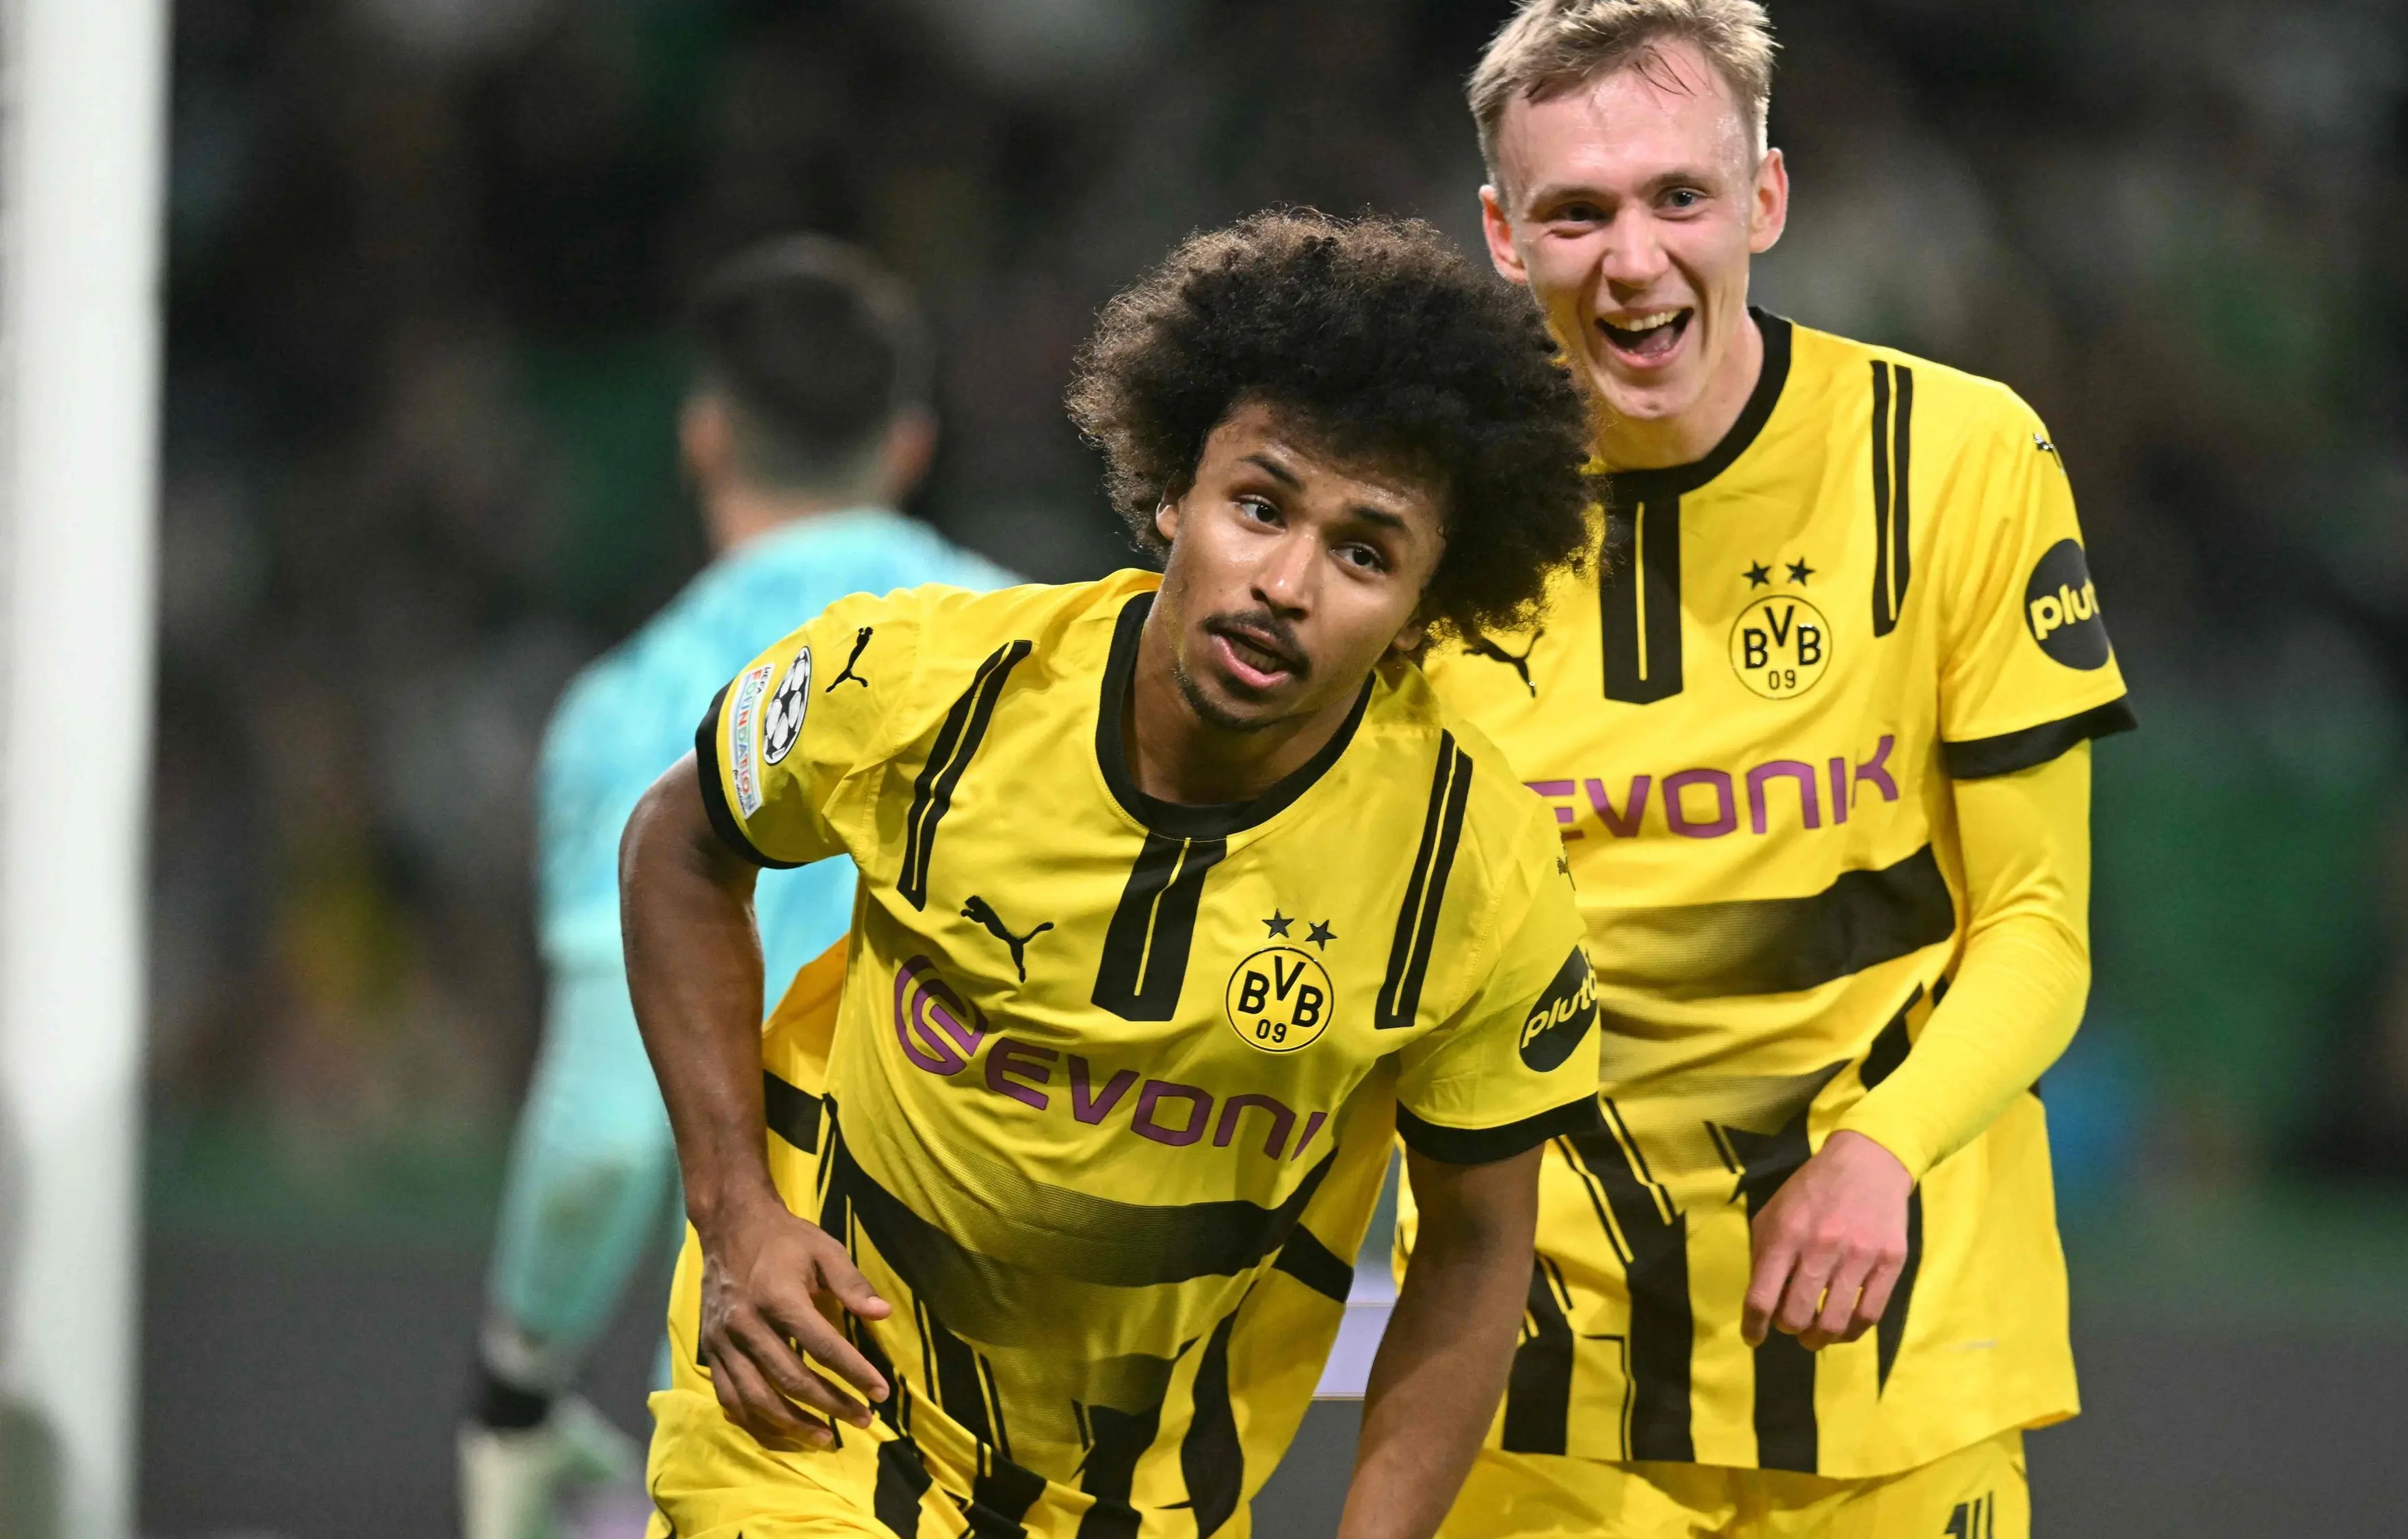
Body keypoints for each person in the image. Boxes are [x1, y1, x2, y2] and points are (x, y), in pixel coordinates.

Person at [623, 210, 1608, 1539]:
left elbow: (1480, 1246)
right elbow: (675, 845)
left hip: (1146, 1501)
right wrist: (735, 1216)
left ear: (1429, 609)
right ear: (1171, 492)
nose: (1283, 583)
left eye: (1362, 553)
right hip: (815, 1425)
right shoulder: (924, 689)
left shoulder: (1465, 870)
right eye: (1257, 507)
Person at [1402, 3, 2136, 1536]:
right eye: (1576, 211)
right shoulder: (1414, 524)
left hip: (1899, 1371)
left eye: (1678, 196)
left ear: (1764, 200)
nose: (1632, 257)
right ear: (1498, 233)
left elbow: (2039, 924)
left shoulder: (1955, 459)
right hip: (1536, 1399)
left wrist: (1882, 1148)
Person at [460, 235, 1016, 1539]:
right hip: (1065, 1418)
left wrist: (517, 1384)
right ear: (913, 442)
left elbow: (602, 1133)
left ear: (706, 437)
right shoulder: (1050, 661)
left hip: (789, 1426)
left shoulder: (640, 706)